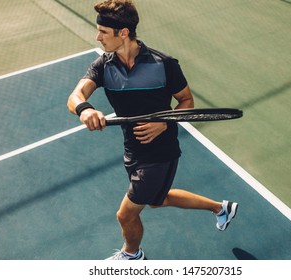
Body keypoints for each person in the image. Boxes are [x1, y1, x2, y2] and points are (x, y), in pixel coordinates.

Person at [67, 0, 238, 260]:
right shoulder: (104, 66)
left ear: (123, 32)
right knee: (158, 199)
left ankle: (132, 256)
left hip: (160, 154)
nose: (97, 36)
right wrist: (85, 109)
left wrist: (164, 122)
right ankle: (220, 208)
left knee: (125, 214)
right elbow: (76, 95)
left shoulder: (164, 64)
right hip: (132, 149)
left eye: (103, 31)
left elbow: (187, 101)